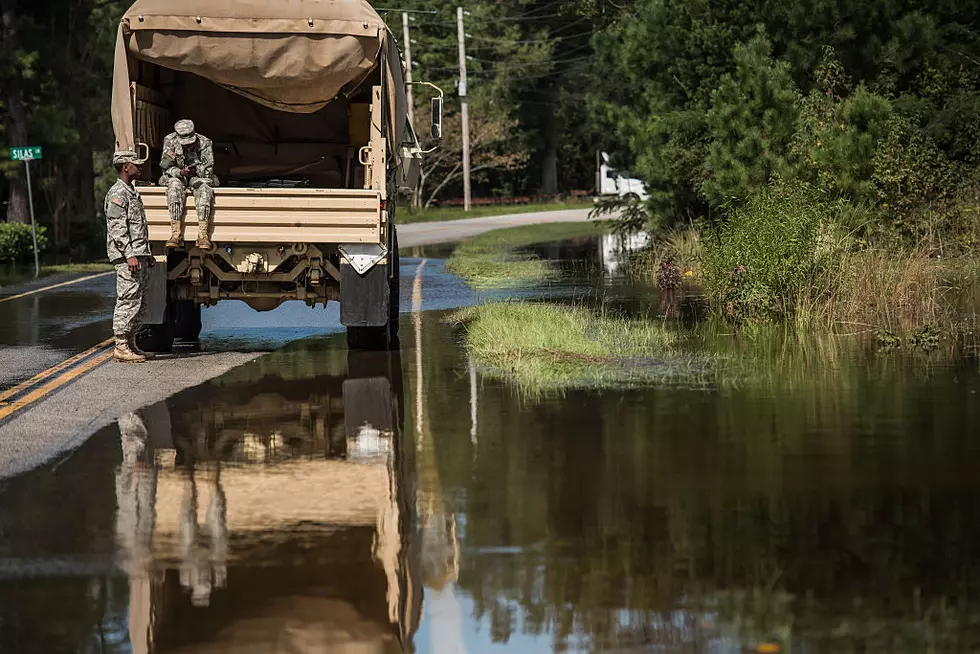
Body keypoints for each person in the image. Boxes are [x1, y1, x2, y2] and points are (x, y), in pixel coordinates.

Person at [105, 150, 154, 363]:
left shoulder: (132, 192)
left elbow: (139, 227)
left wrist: (146, 253)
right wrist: (129, 255)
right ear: (126, 167)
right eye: (136, 164)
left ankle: (131, 343)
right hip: (128, 257)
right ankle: (120, 345)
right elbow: (118, 229)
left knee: (139, 300)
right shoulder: (118, 194)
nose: (140, 167)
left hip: (138, 255)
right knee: (127, 298)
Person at [160, 119, 218, 250]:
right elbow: (165, 167)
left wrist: (194, 167)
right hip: (179, 176)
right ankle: (176, 234)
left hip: (198, 176)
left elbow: (208, 172)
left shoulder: (204, 143)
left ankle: (203, 235)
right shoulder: (170, 141)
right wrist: (180, 172)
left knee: (204, 189)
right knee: (174, 186)